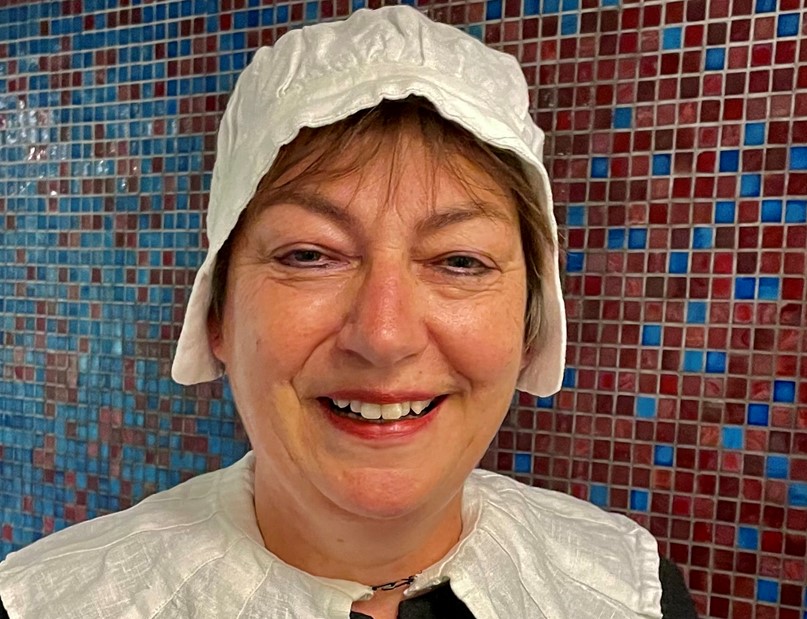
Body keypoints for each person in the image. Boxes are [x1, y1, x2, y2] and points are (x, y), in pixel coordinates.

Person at [0, 6, 697, 618]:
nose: (384, 335)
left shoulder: (628, 591)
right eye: (309, 255)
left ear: (529, 325)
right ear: (217, 316)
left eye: (459, 261)